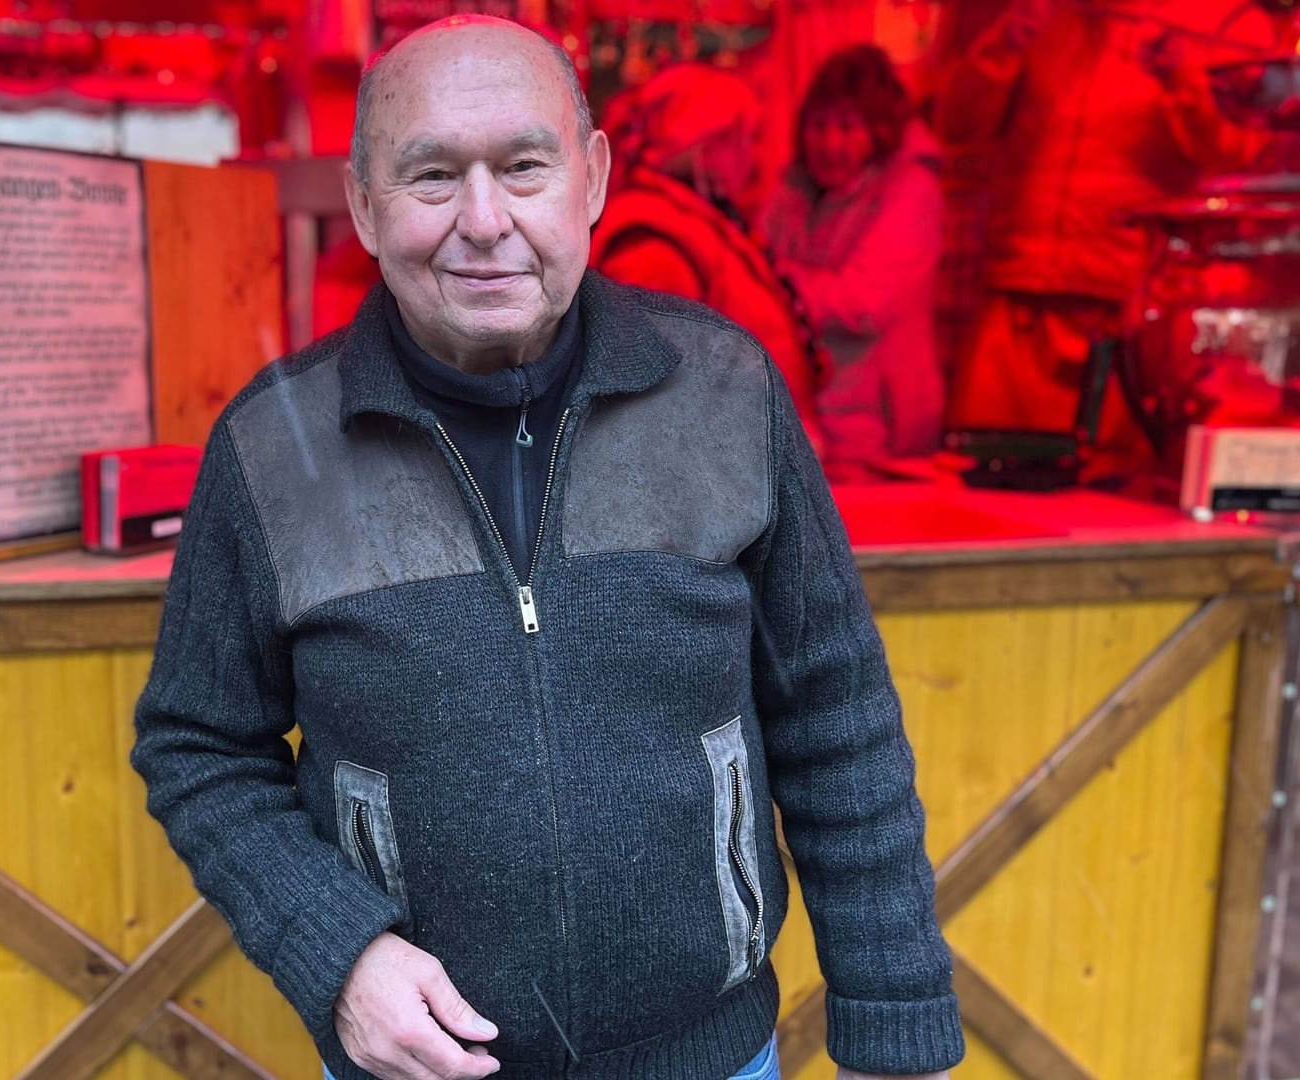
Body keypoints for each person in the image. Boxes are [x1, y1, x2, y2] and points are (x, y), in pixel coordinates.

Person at [132, 16, 960, 1080]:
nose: (485, 221)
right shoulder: (272, 448)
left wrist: (897, 1030)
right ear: (364, 207)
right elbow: (198, 746)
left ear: (594, 179)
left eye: (524, 166)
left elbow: (837, 720)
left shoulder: (723, 393)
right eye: (431, 176)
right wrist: (336, 953)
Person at [934, 0, 1280, 465]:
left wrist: (1184, 84)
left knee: (1107, 489)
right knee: (982, 481)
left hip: (1126, 319)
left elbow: (1243, 157)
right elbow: (955, 125)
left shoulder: (1220, 20)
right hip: (1016, 302)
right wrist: (1005, 43)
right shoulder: (1051, 13)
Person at [589, 63, 819, 433]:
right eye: (747, 139)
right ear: (706, 148)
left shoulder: (693, 227)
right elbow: (653, 400)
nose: (756, 157)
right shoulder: (658, 244)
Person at [761, 46, 944, 481]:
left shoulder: (912, 190)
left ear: (879, 130)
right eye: (819, 125)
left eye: (847, 126)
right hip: (815, 416)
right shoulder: (792, 193)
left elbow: (863, 302)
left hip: (878, 426)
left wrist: (775, 286)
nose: (829, 144)